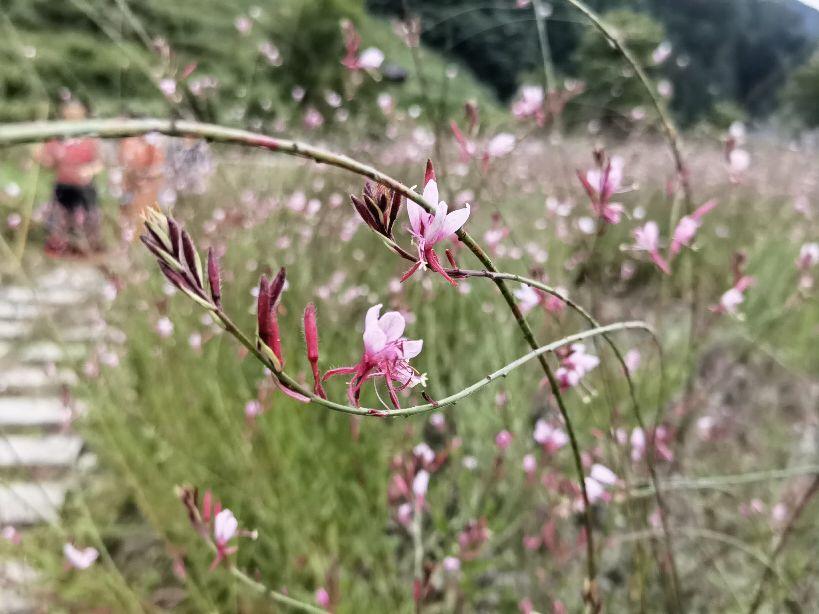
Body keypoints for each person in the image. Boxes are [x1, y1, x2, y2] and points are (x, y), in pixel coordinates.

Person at [36, 101, 103, 255]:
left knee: (85, 224)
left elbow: (100, 163)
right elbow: (48, 162)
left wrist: (90, 170)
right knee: (60, 225)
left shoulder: (90, 138)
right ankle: (62, 252)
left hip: (84, 188)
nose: (72, 117)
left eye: (75, 114)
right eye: (68, 114)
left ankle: (85, 252)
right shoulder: (57, 138)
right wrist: (39, 152)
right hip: (63, 186)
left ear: (83, 115)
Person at [118, 132, 165, 233]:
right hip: (131, 187)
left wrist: (146, 174)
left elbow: (158, 167)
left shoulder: (152, 144)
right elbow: (124, 164)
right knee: (129, 215)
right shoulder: (128, 143)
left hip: (147, 189)